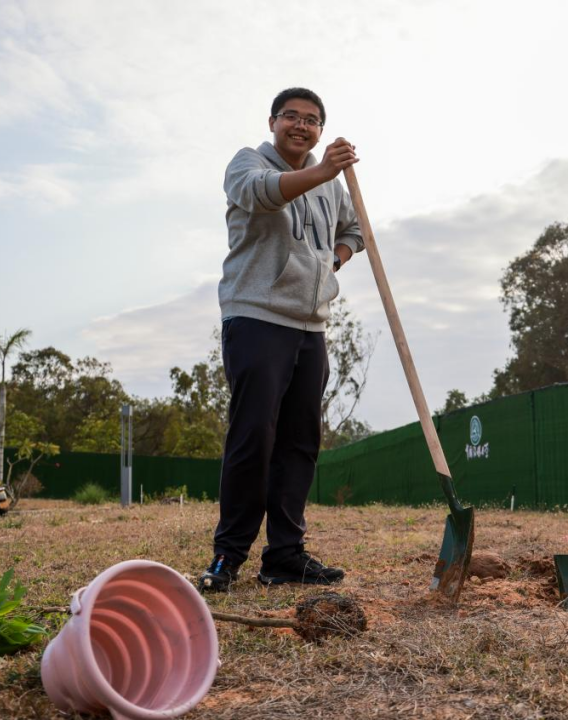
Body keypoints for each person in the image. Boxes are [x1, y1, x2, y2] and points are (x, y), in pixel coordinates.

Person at [198, 87, 362, 592]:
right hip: (257, 316)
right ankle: (228, 557)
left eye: (312, 119)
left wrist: (331, 260)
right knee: (254, 437)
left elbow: (353, 231)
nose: (301, 124)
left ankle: (285, 556)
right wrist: (322, 172)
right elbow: (264, 192)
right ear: (272, 121)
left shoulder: (332, 186)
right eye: (291, 116)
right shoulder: (247, 163)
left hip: (311, 323)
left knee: (300, 443)